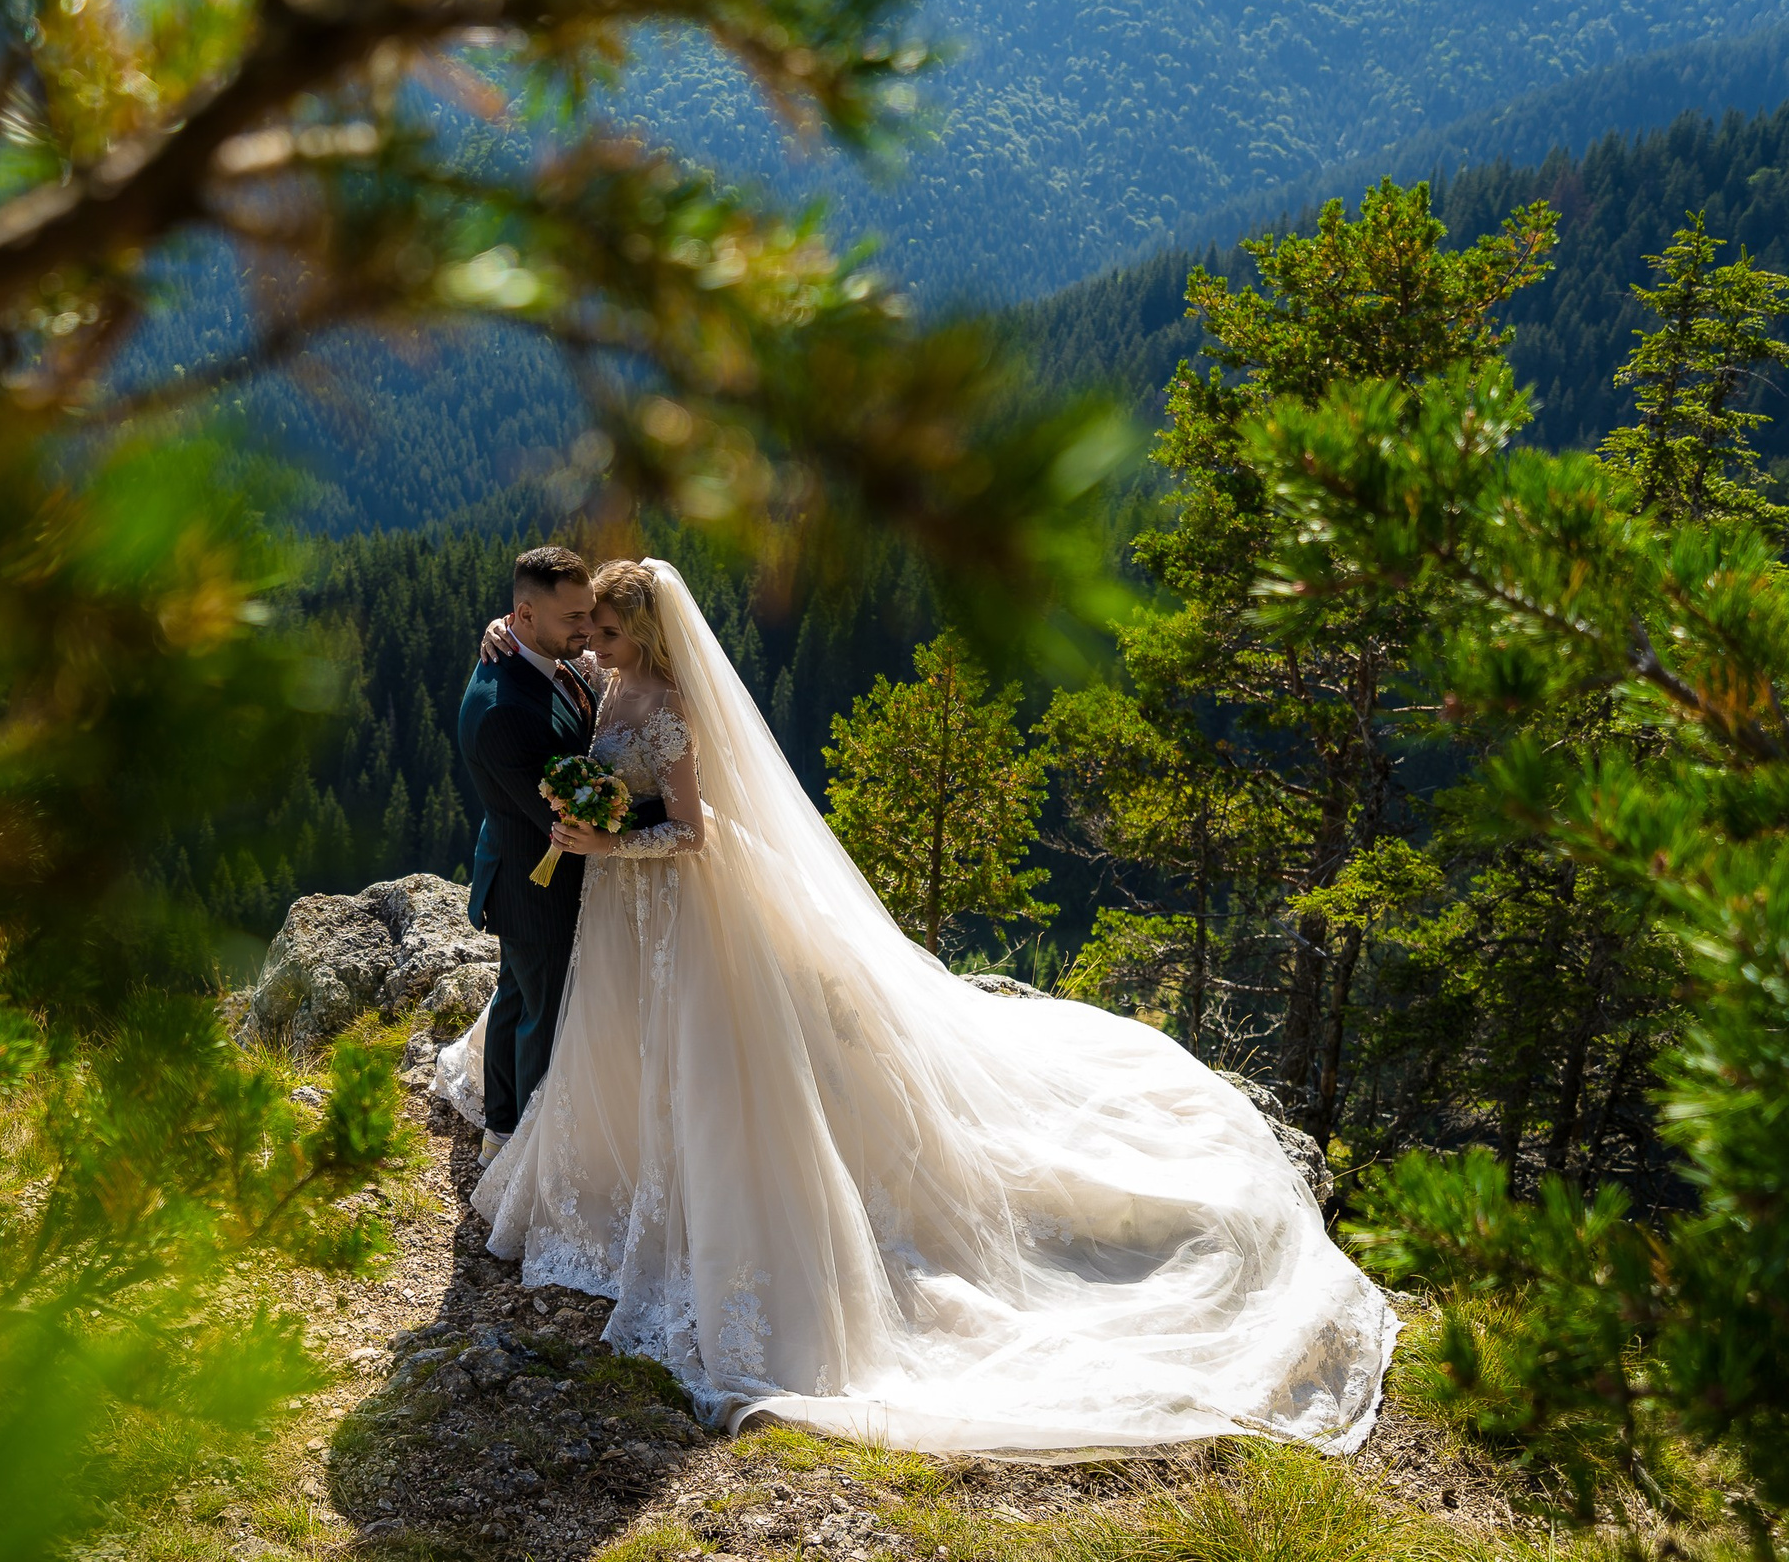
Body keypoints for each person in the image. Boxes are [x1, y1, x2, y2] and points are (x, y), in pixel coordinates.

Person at [439, 559, 1395, 1460]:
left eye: (603, 628)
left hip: (674, 903)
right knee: (627, 1048)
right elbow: (555, 676)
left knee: (711, 1057)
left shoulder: (673, 706)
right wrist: (511, 636)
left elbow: (690, 828)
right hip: (625, 920)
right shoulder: (604, 678)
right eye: (584, 628)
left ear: (641, 632)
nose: (591, 642)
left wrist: (616, 844)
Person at [453, 547, 666, 1169]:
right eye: (575, 617)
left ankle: (501, 1128)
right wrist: (677, 815)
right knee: (540, 1015)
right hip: (533, 879)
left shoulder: (545, 655)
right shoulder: (504, 711)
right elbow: (566, 817)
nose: (587, 628)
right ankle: (528, 1151)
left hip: (534, 869)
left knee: (518, 999)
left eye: (593, 616)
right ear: (525, 614)